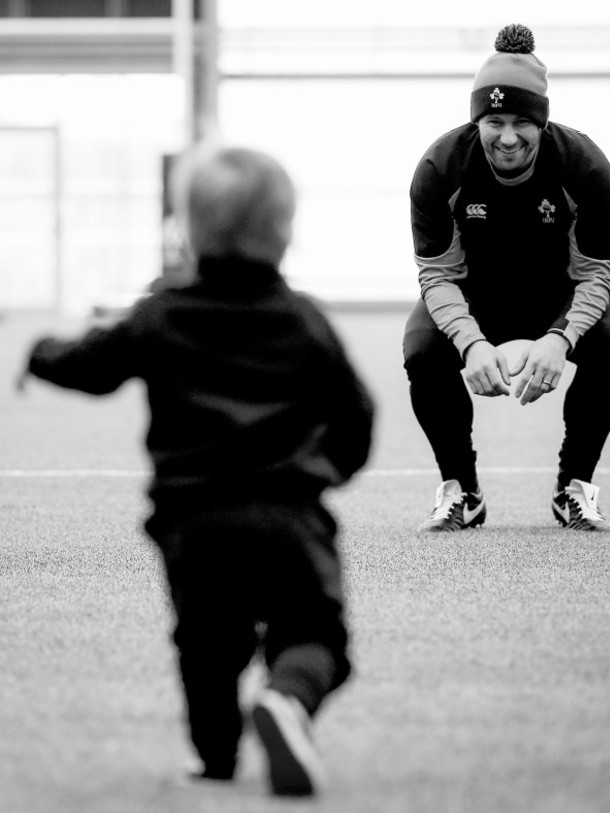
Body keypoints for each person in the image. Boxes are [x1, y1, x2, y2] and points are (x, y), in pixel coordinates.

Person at [20, 143, 375, 796]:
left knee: (207, 646)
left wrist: (41, 353)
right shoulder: (304, 320)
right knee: (313, 632)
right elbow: (356, 413)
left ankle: (215, 756)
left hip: (193, 523)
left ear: (186, 231)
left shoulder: (160, 315)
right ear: (285, 233)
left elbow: (91, 367)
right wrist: (331, 469)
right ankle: (288, 697)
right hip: (287, 515)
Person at [403, 23, 610, 533]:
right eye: (495, 121)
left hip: (560, 292)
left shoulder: (586, 168)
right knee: (422, 348)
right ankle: (462, 491)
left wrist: (561, 337)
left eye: (522, 122)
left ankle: (574, 487)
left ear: (542, 123)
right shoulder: (440, 168)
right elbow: (437, 274)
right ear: (478, 121)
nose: (508, 138)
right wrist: (470, 343)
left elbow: (597, 273)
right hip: (475, 293)